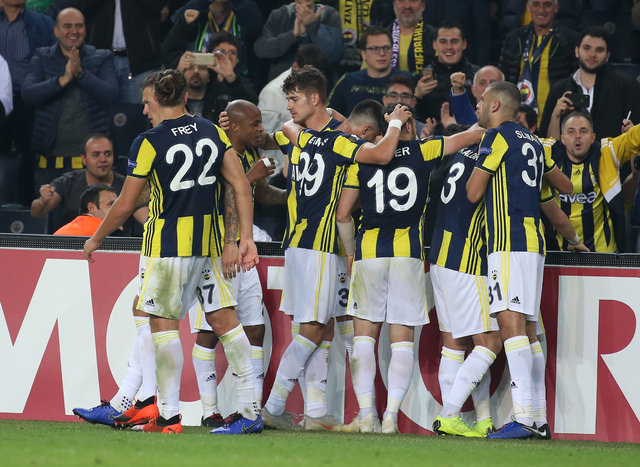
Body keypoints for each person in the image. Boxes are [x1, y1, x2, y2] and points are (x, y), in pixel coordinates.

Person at [83, 69, 262, 435]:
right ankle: (250, 411)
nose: (144, 109)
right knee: (227, 323)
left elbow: (125, 203)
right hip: (209, 246)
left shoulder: (148, 142)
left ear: (157, 99)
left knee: (163, 327)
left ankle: (168, 416)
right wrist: (245, 237)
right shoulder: (212, 131)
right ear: (184, 96)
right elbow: (241, 185)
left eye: (146, 102)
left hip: (168, 248)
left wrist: (97, 237)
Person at [260, 66, 413, 431]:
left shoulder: (297, 135)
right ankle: (274, 407)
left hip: (302, 243)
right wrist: (394, 123)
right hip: (319, 245)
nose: (289, 107)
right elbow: (382, 155)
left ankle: (315, 413)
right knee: (314, 329)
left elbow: (269, 137)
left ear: (314, 98)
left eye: (294, 99)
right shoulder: (339, 140)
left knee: (322, 327)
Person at [336, 105, 483, 434]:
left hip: (369, 253)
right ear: (409, 127)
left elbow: (343, 213)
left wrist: (350, 252)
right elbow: (469, 136)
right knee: (401, 343)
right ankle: (391, 417)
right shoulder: (423, 150)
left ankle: (367, 416)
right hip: (408, 254)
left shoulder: (363, 156)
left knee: (364, 339)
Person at [189, 99, 286, 427]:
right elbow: (218, 195)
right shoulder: (215, 152)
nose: (261, 129)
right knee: (209, 333)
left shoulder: (251, 152)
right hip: (217, 251)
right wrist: (250, 176)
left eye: (260, 123)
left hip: (243, 250)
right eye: (255, 124)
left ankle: (251, 411)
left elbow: (261, 194)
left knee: (255, 329)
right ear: (233, 126)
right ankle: (209, 411)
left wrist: (292, 196)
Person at [466, 81, 546, 439]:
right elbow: (554, 187)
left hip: (507, 241)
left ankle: (524, 418)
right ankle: (538, 418)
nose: (479, 107)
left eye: (482, 101)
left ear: (496, 105)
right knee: (528, 330)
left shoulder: (496, 137)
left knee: (511, 328)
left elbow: (473, 192)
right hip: (534, 242)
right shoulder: (535, 143)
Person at [21, 7, 118, 189]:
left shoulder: (102, 57)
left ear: (85, 29)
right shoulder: (42, 57)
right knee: (48, 208)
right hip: (49, 164)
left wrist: (80, 73)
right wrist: (63, 80)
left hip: (92, 165)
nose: (74, 31)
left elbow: (110, 95)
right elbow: (28, 94)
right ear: (56, 31)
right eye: (67, 26)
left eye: (79, 26)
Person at [545, 111, 640, 253]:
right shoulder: (548, 154)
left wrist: (631, 132)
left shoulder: (607, 153)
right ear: (562, 139)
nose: (578, 136)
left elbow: (635, 137)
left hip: (603, 255)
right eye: (571, 131)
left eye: (583, 131)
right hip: (559, 254)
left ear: (592, 137)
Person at [29, 133, 148, 233]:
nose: (103, 159)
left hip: (117, 247)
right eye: (96, 155)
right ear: (84, 159)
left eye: (107, 154)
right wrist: (43, 201)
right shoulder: (68, 182)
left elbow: (146, 220)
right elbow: (36, 213)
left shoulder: (127, 186)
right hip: (73, 246)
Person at [540, 26, 640, 140]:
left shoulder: (627, 87)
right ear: (577, 51)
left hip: (613, 151)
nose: (592, 54)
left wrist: (632, 132)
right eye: (587, 48)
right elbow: (545, 142)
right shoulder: (559, 90)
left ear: (607, 56)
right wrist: (556, 116)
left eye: (599, 50)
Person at [0, 0, 55, 204]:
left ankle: (26, 214)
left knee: (30, 161)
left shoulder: (44, 24)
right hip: (0, 103)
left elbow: (52, 62)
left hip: (29, 103)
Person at [499, 0, 578, 127]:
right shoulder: (514, 38)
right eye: (536, 4)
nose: (541, 10)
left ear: (556, 7)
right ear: (528, 7)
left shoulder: (569, 40)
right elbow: (504, 79)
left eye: (547, 5)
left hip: (554, 119)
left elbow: (574, 81)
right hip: (518, 119)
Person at [73, 0, 164, 104]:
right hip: (100, 62)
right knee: (99, 111)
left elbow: (158, 4)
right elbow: (79, 6)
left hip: (142, 63)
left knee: (139, 112)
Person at [328, 26, 413, 116]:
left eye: (386, 48)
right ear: (363, 54)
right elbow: (329, 115)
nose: (382, 53)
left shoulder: (408, 80)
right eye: (375, 49)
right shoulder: (348, 81)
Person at [175, 31, 258, 122]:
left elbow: (252, 106)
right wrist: (178, 74)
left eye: (232, 52)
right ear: (211, 55)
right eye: (220, 51)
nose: (227, 56)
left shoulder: (240, 82)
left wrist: (231, 78)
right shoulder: (205, 81)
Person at [253, 0, 343, 81]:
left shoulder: (329, 15)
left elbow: (334, 54)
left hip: (319, 86)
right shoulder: (280, 15)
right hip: (283, 86)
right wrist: (292, 35)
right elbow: (260, 49)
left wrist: (313, 25)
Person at [415, 20, 478, 122]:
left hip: (470, 129)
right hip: (432, 130)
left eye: (454, 41)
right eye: (443, 41)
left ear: (464, 44)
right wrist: (417, 96)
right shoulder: (420, 78)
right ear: (435, 45)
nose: (449, 47)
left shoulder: (477, 76)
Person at [388, 0, 435, 74]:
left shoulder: (435, 37)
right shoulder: (380, 37)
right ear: (394, 4)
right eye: (401, 0)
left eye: (413, 1)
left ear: (423, 5)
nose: (407, 6)